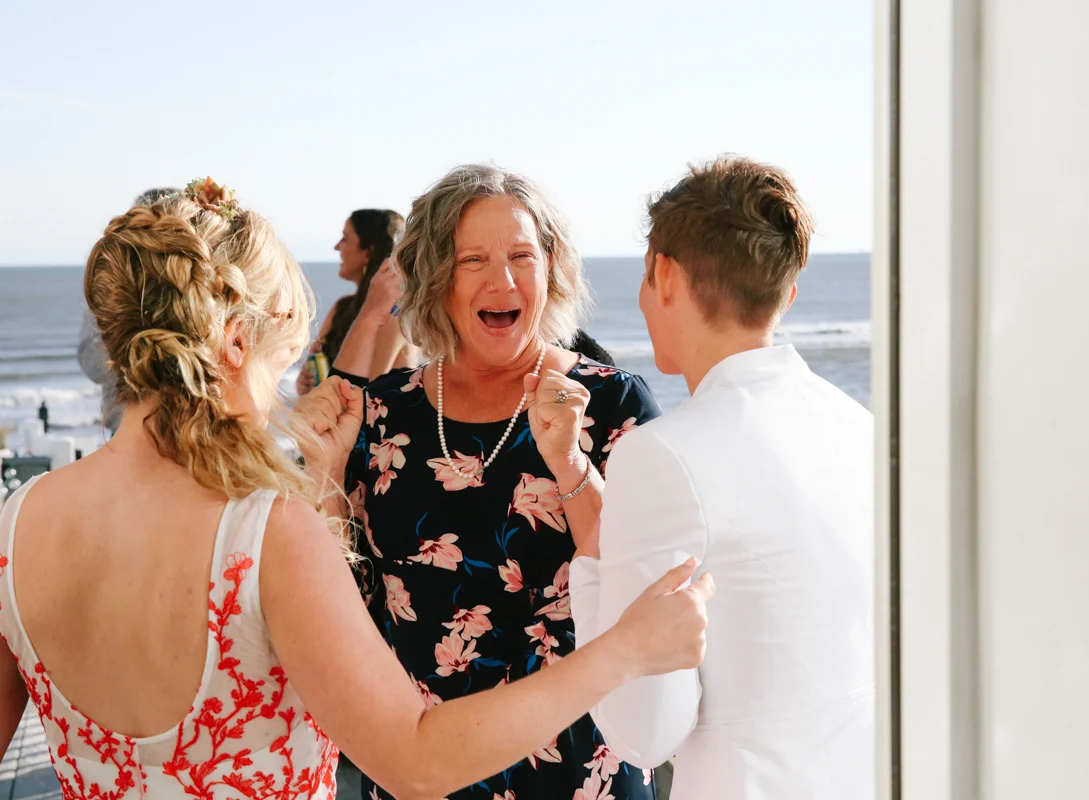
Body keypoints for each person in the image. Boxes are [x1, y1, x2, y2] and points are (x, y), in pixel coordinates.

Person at [0, 177, 715, 800]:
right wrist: (623, 654)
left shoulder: (16, 522)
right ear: (235, 348)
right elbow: (413, 756)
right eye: (283, 360)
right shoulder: (267, 530)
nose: (283, 390)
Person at [329, 165, 664, 800]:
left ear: (551, 266)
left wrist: (571, 466)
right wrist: (322, 473)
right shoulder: (385, 412)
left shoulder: (611, 403)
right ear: (433, 277)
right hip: (423, 771)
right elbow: (346, 595)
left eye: (521, 255)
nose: (501, 279)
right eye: (471, 259)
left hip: (577, 771)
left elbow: (645, 590)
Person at [568, 157, 875, 800]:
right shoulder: (859, 427)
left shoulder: (660, 457)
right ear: (785, 296)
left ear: (664, 274)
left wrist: (591, 562)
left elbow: (640, 733)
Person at [77, 186, 178, 434]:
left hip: (188, 429)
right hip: (125, 426)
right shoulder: (108, 288)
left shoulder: (196, 287)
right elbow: (92, 365)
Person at [295, 210, 416, 396]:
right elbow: (313, 364)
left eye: (345, 239)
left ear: (368, 252)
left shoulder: (394, 317)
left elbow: (371, 397)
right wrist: (304, 382)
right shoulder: (341, 308)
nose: (336, 247)